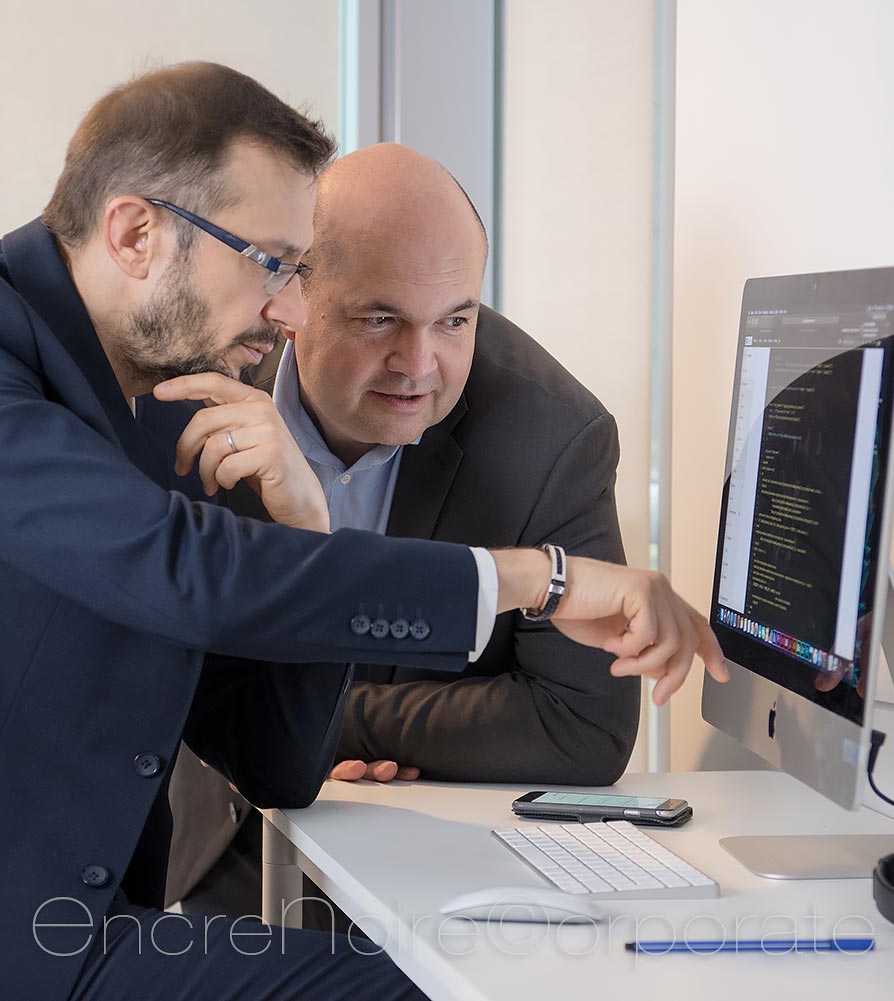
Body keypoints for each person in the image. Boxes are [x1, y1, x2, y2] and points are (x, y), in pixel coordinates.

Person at [0, 63, 726, 1001]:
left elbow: (273, 763)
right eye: (273, 263)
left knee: (467, 975)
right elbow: (175, 568)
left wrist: (307, 520)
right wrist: (532, 580)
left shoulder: (166, 405)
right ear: (137, 233)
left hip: (68, 921)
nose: (290, 312)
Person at [165, 144, 641, 915]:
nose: (419, 364)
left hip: (421, 873)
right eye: (379, 318)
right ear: (292, 298)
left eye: (455, 319)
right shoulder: (193, 377)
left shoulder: (550, 436)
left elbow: (583, 724)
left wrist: (332, 724)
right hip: (198, 848)